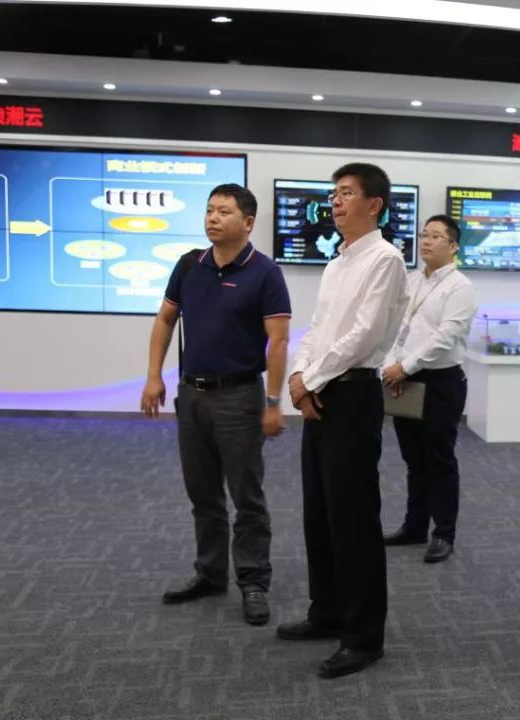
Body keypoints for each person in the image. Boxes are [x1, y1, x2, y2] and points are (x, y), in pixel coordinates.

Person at [275, 162, 410, 679]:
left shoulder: (385, 259)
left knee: (354, 519)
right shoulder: (337, 262)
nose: (334, 201)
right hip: (322, 392)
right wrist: (300, 374)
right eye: (334, 193)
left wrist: (309, 380)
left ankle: (363, 637)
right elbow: (317, 330)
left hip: (352, 395)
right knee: (320, 513)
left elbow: (363, 336)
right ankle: (327, 611)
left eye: (346, 193)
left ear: (374, 205)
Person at [141, 183, 291, 627]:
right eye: (209, 210)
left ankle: (253, 581)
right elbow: (165, 319)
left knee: (246, 495)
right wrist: (154, 376)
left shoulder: (265, 272)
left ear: (248, 222)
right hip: (192, 395)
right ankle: (210, 573)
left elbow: (279, 341)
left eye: (224, 211)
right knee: (202, 493)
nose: (213, 218)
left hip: (239, 397)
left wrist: (273, 402)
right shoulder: (190, 264)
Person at [381, 214, 478, 564]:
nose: (426, 241)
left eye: (436, 236)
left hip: (441, 383)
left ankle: (444, 533)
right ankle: (414, 526)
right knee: (414, 459)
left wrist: (404, 367)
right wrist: (392, 366)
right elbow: (397, 328)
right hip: (404, 379)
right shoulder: (412, 280)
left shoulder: (460, 287)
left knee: (439, 459)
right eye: (424, 234)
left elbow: (445, 337)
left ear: (453, 247)